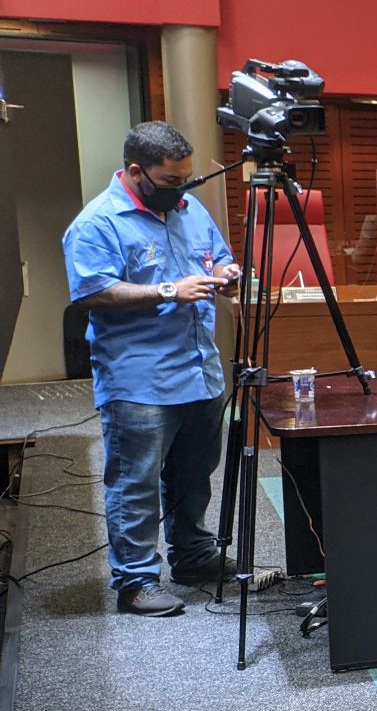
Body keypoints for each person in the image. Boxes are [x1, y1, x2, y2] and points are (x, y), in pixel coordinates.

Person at [61, 122, 277, 615]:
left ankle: (193, 556)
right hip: (140, 379)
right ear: (136, 171)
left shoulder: (188, 208)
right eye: (170, 181)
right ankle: (136, 581)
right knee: (135, 483)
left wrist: (225, 274)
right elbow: (92, 292)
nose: (180, 190)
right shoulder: (98, 223)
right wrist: (168, 290)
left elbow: (216, 259)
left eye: (187, 180)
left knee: (194, 474)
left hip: (200, 371)